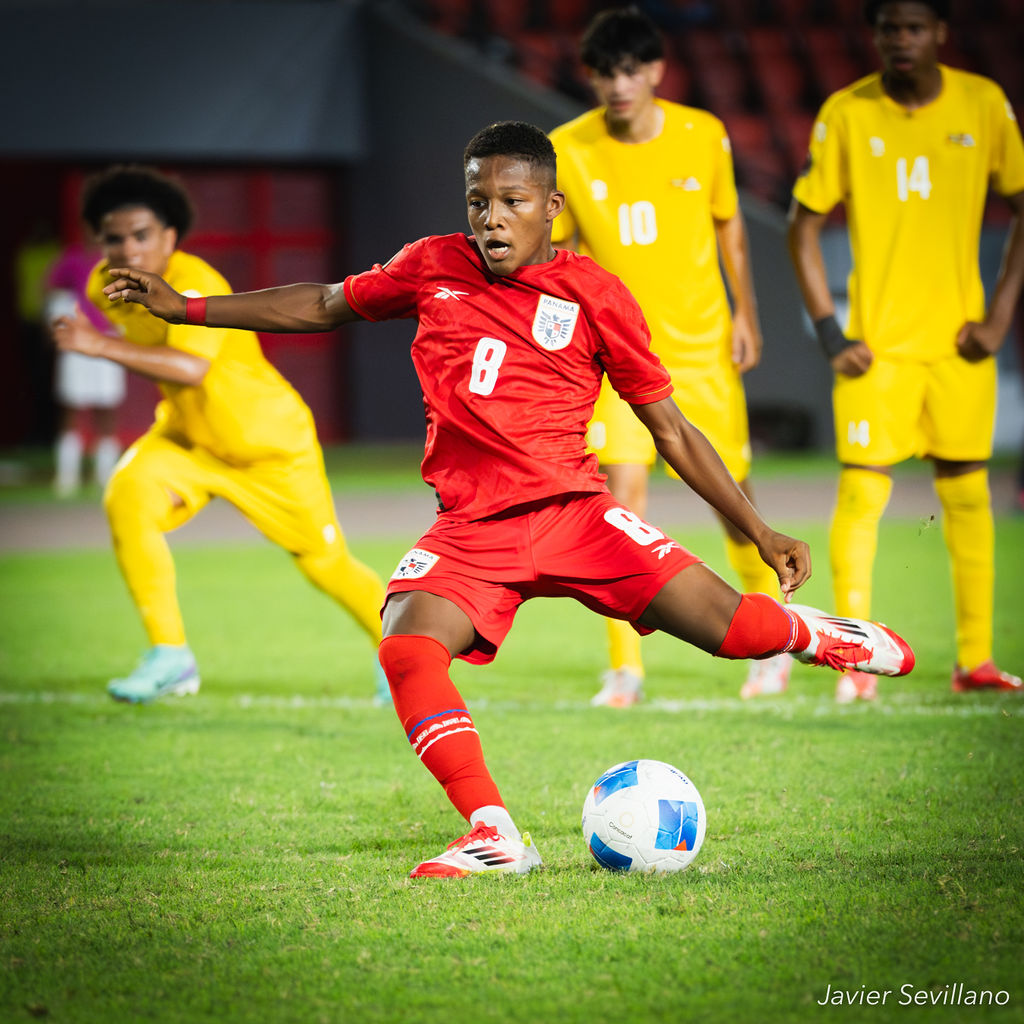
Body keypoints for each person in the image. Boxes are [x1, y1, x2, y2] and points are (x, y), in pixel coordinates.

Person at [97, 122, 914, 877]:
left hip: (578, 516)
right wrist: (189, 310)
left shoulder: (596, 294)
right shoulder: (431, 265)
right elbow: (322, 303)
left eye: (512, 202)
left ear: (552, 207)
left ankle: (817, 634)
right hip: (471, 530)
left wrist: (759, 528)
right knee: (407, 649)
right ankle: (492, 831)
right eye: (478, 201)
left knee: (736, 632)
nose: (491, 218)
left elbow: (669, 429)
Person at [52, 165, 388, 704]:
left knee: (325, 564)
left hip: (267, 446)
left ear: (170, 237)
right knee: (127, 496)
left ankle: (399, 656)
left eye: (142, 235)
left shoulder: (196, 282)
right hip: (188, 440)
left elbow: (190, 368)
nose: (128, 249)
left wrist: (99, 347)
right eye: (114, 238)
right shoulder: (103, 284)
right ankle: (170, 657)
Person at [549, 7, 789, 706]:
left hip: (701, 351)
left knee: (732, 500)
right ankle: (626, 665)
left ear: (655, 71)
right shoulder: (569, 146)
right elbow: (551, 245)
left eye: (630, 70)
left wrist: (746, 313)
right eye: (604, 73)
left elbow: (730, 227)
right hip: (616, 355)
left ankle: (770, 642)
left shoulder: (702, 135)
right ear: (591, 77)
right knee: (619, 499)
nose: (618, 85)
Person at [787, 0, 1024, 700]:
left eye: (914, 27)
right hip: (879, 351)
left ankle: (975, 660)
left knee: (969, 496)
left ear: (940, 33)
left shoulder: (983, 105)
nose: (901, 40)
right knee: (862, 493)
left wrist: (1000, 314)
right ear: (876, 35)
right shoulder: (848, 112)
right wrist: (832, 331)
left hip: (959, 349)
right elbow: (802, 227)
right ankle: (856, 662)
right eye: (889, 27)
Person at [46, 243, 126, 496]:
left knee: (107, 410)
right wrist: (57, 328)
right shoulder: (72, 260)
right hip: (77, 344)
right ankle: (66, 479)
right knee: (71, 410)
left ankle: (106, 478)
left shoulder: (120, 260)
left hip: (108, 341)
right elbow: (52, 291)